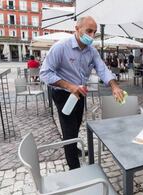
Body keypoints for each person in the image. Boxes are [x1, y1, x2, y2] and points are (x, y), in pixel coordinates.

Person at [40, 16, 124, 170]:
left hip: (80, 92)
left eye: (94, 32)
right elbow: (45, 74)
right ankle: (75, 168)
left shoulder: (92, 51)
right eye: (89, 31)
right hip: (63, 93)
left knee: (77, 124)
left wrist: (114, 86)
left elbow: (102, 69)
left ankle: (74, 148)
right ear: (77, 29)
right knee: (69, 130)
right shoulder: (60, 47)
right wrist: (69, 86)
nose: (92, 36)